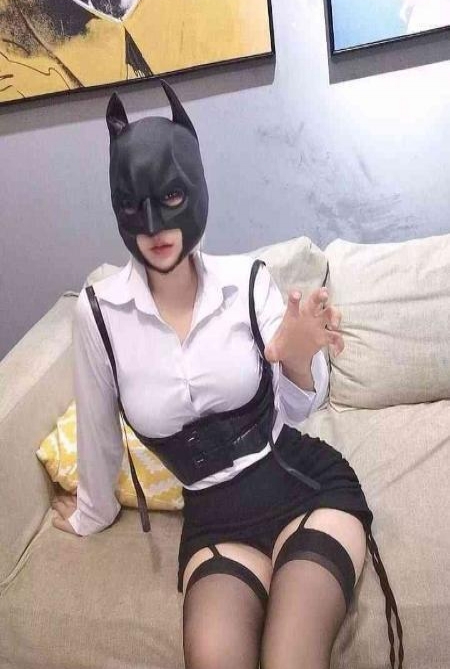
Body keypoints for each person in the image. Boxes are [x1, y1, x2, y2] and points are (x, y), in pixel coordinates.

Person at [52, 79, 404, 669]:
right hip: (215, 524)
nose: (154, 226)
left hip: (306, 489)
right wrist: (93, 510)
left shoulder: (249, 282)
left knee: (292, 658)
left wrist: (295, 354)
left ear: (195, 189)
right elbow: (98, 431)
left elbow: (302, 406)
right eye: (134, 205)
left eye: (170, 197)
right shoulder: (98, 316)